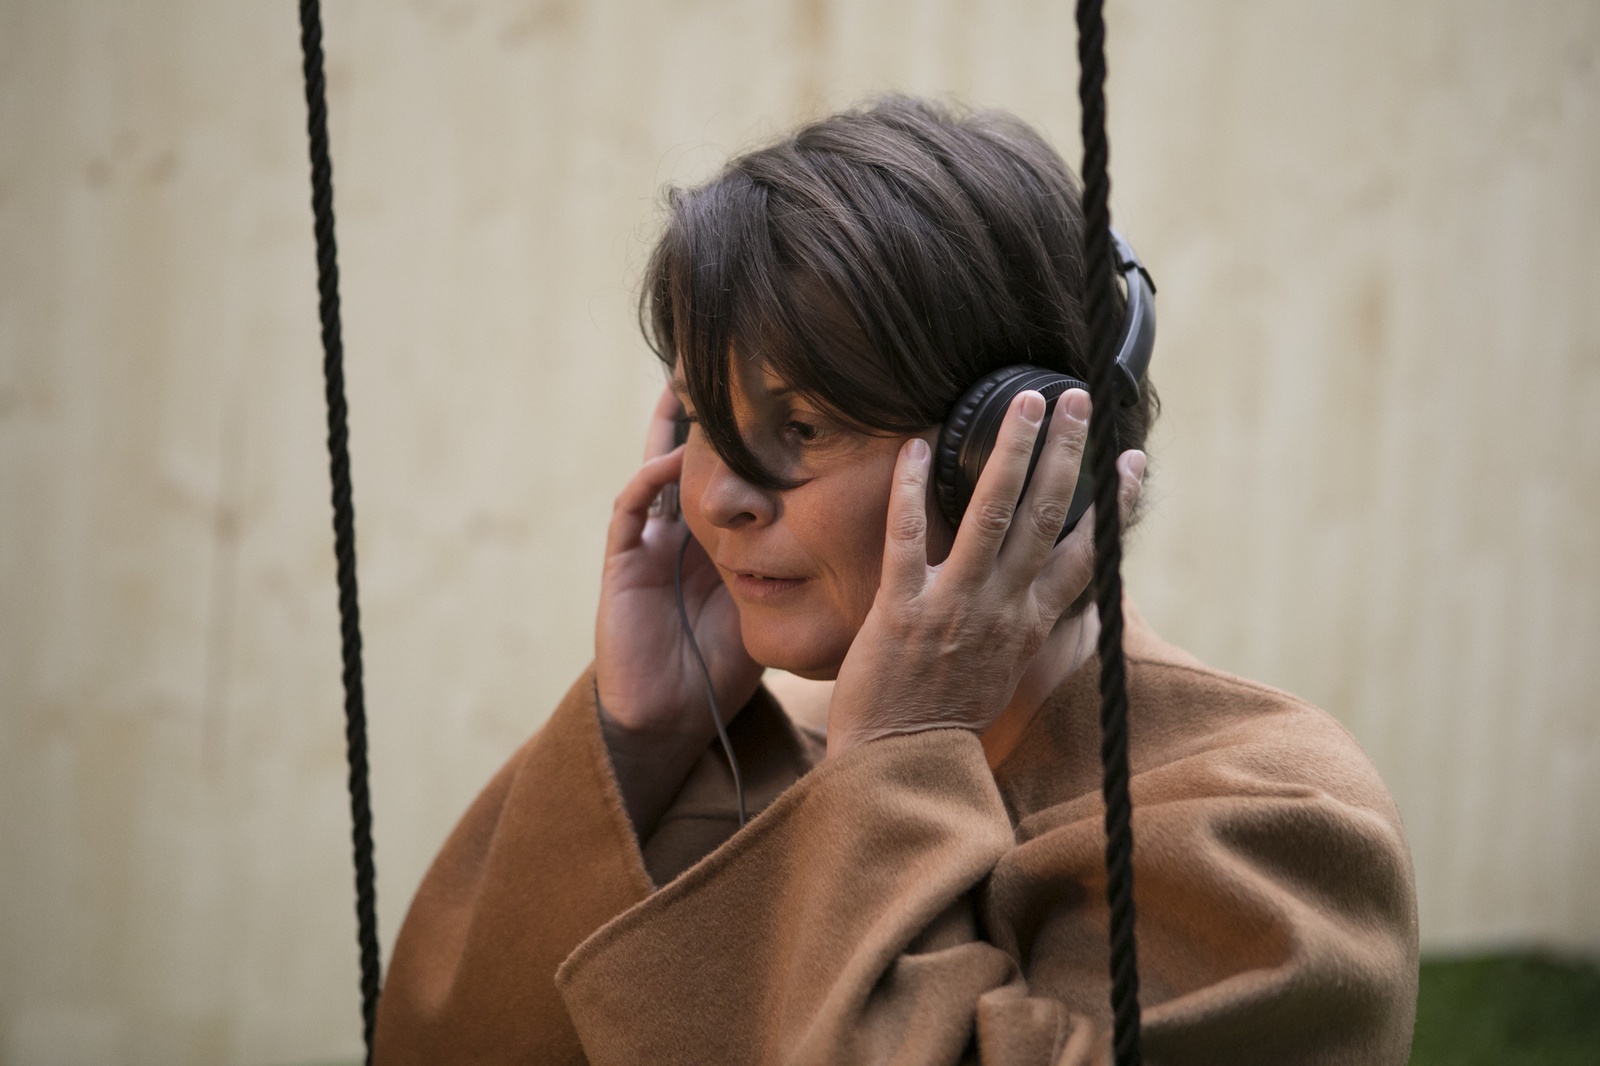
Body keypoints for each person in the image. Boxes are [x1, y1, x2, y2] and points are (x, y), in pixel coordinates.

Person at [373, 97, 1418, 1065]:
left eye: (801, 425)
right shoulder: (755, 766)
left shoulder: (1272, 830)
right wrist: (639, 740)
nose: (717, 496)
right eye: (701, 419)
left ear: (1017, 454)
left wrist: (900, 759)